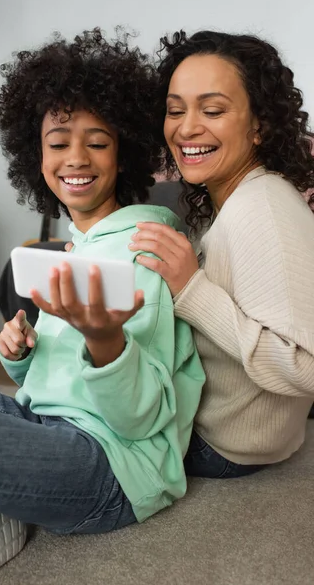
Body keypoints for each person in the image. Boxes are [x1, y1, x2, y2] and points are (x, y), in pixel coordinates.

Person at [0, 29, 205, 584]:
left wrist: (105, 340)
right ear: (36, 154)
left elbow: (144, 418)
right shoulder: (79, 245)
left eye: (97, 142)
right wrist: (21, 356)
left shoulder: (145, 249)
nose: (76, 158)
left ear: (123, 155)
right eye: (58, 142)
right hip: (41, 423)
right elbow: (55, 377)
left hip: (113, 467)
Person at [129, 30, 314, 478]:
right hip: (225, 427)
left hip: (225, 443)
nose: (186, 127)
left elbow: (305, 367)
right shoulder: (234, 199)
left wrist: (191, 289)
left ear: (259, 125)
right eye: (175, 111)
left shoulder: (262, 205)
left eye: (212, 110)